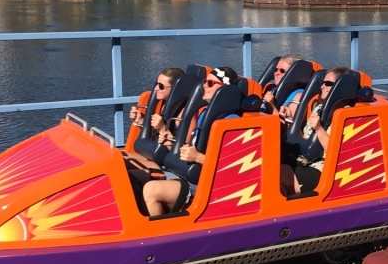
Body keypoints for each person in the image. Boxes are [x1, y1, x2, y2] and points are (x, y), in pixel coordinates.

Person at [141, 67, 240, 217]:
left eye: (211, 83)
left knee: (151, 190)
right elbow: (191, 146)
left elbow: (233, 168)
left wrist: (198, 158)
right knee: (136, 175)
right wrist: (170, 142)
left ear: (225, 90)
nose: (205, 85)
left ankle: (159, 236)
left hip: (205, 185)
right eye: (205, 81)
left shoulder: (232, 122)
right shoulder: (205, 114)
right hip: (186, 173)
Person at [281, 66, 351, 195]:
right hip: (304, 160)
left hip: (322, 169)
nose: (322, 87)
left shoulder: (347, 115)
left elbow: (338, 153)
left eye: (328, 84)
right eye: (322, 83)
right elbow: (306, 139)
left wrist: (319, 129)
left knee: (280, 178)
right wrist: (289, 119)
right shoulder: (318, 108)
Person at [129, 67, 184, 135]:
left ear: (175, 88)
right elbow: (155, 137)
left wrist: (162, 128)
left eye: (161, 86)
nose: (156, 88)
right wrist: (141, 120)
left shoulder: (184, 112)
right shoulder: (164, 103)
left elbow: (183, 144)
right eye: (156, 84)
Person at [262, 53, 306, 123]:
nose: (277, 73)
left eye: (282, 71)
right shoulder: (273, 89)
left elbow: (289, 129)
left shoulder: (298, 96)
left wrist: (271, 106)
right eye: (275, 69)